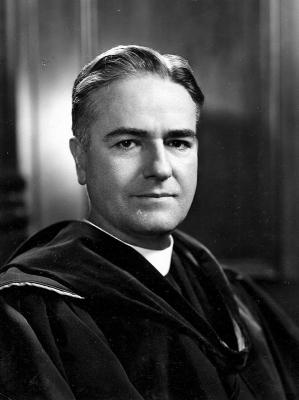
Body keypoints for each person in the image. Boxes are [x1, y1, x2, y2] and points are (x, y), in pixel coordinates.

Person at [0, 45, 298, 400]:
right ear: (81, 159)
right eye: (128, 143)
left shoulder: (232, 296)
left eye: (177, 142)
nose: (159, 168)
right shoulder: (32, 312)